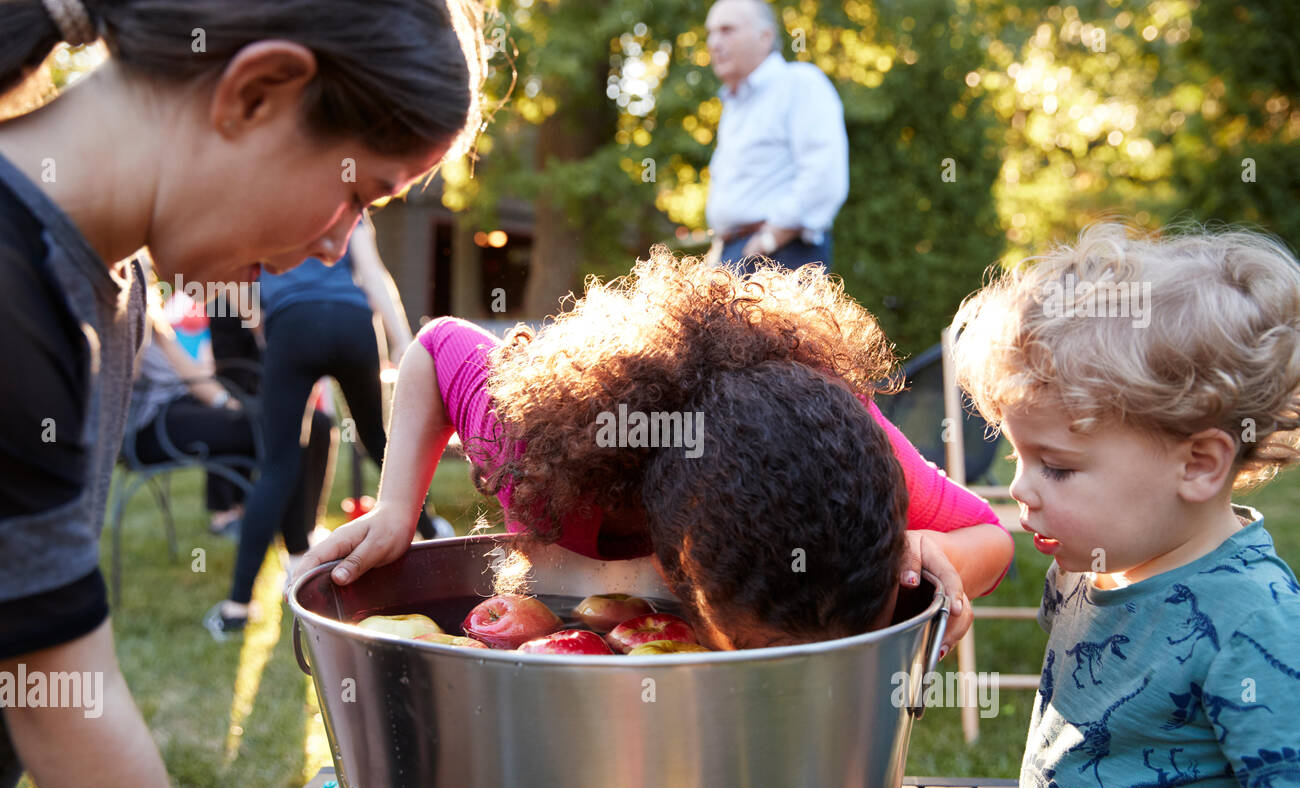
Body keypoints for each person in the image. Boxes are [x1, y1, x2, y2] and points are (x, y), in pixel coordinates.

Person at [0, 0, 483, 788]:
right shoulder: (12, 296)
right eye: (356, 194)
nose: (341, 248)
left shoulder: (113, 289)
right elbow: (57, 698)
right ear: (257, 92)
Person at [296, 250, 1015, 652]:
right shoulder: (546, 452)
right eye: (760, 654)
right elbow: (435, 348)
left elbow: (990, 536)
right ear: (691, 565)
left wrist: (937, 552)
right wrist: (397, 508)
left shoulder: (840, 449)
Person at [948, 223, 1300, 788]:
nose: (1020, 487)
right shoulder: (1094, 567)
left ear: (1197, 464)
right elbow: (1105, 728)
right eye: (1019, 454)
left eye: (1056, 466)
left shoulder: (1253, 621)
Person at [205, 214, 450, 637]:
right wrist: (404, 343)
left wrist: (263, 325)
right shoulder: (343, 202)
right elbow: (373, 272)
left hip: (291, 325)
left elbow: (230, 279)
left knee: (277, 464)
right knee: (378, 440)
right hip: (352, 322)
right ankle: (434, 537)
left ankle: (236, 608)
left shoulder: (255, 203)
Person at [125, 307, 333, 555]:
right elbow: (126, 376)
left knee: (314, 421)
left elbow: (187, 372)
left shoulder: (150, 310)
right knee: (279, 427)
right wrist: (134, 314)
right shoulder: (125, 304)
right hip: (149, 426)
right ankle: (297, 550)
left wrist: (228, 403)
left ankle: (306, 530)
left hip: (182, 405)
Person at [703, 0, 848, 273]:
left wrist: (768, 240)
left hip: (779, 257)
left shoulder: (800, 84)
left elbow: (824, 176)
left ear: (765, 36)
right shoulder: (734, 105)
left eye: (727, 30)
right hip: (735, 256)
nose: (714, 43)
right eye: (710, 33)